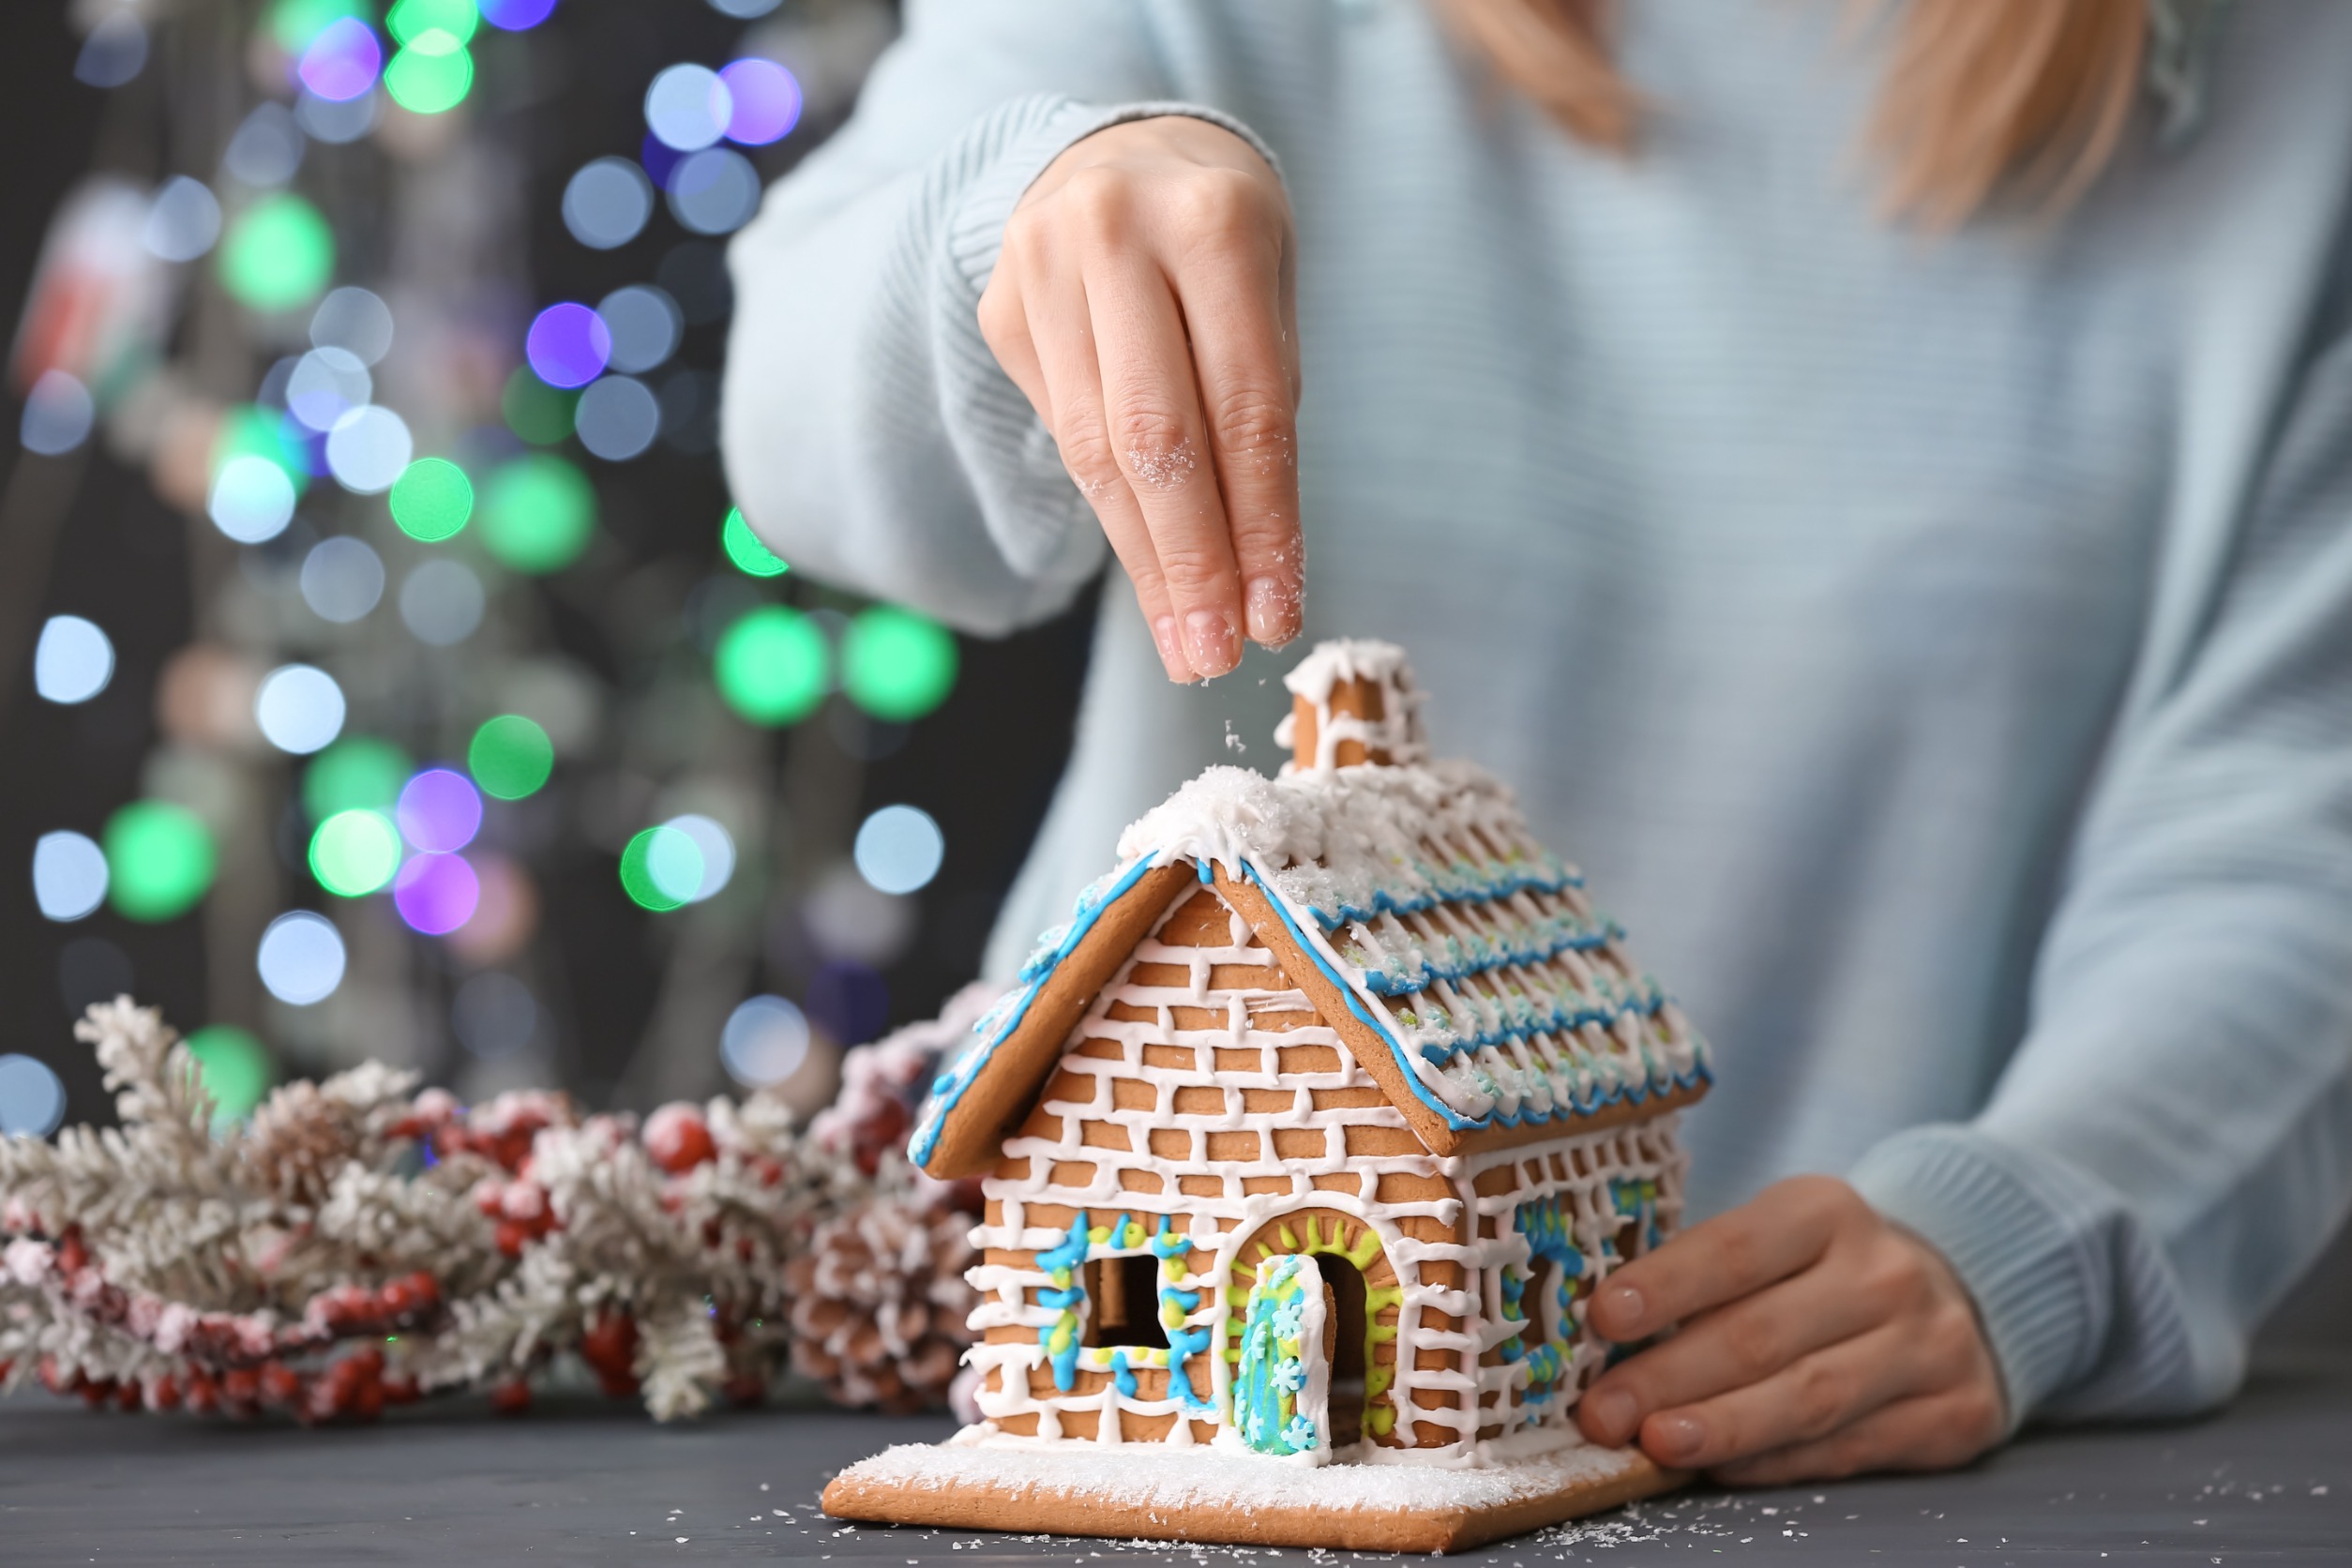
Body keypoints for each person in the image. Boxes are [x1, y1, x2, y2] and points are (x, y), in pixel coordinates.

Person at [722, 0, 2352, 1485]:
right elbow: (799, 421)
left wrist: (2038, 1224)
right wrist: (1027, 209)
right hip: (1151, 1463)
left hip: (1869, 1474)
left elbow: (2285, 831)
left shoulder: (2295, 100)